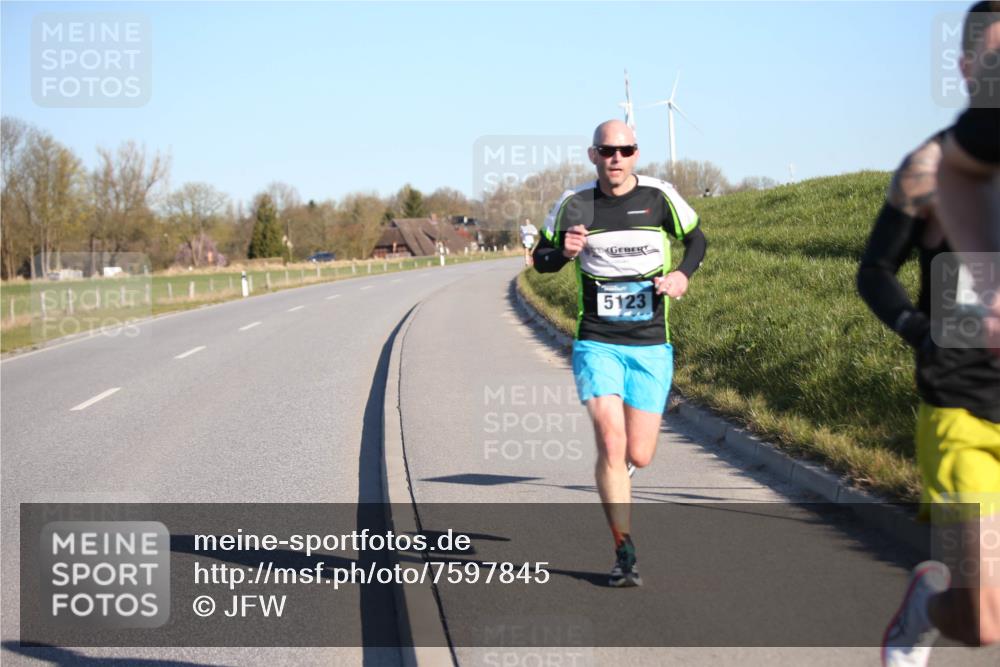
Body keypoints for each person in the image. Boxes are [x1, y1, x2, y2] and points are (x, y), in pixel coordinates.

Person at [863, 4, 1000, 665]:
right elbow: (874, 272)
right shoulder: (930, 165)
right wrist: (919, 328)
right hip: (964, 406)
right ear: (967, 65)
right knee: (982, 619)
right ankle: (922, 607)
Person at [532, 119, 707, 587]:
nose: (616, 158)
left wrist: (683, 275)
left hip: (651, 345)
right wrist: (564, 254)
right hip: (597, 342)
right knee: (611, 441)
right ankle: (623, 552)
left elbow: (697, 239)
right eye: (607, 150)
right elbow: (539, 260)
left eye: (625, 150)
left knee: (640, 454)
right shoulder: (574, 204)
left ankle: (622, 472)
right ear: (593, 155)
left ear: (636, 154)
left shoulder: (659, 197)